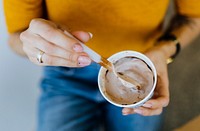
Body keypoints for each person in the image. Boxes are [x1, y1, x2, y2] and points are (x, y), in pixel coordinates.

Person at [4, 0, 200, 131]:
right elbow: (15, 37)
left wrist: (163, 51)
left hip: (143, 66)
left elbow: (194, 17)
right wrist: (33, 46)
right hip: (66, 74)